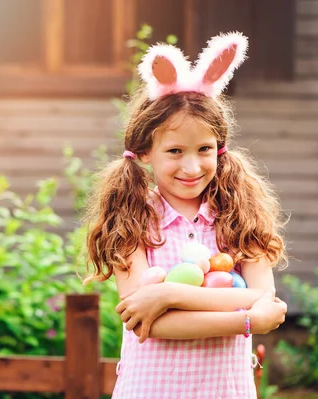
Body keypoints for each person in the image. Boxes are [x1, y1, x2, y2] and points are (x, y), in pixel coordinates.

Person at [83, 32, 288, 398]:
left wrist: (166, 295)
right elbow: (147, 323)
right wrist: (245, 319)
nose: (191, 166)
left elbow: (264, 295)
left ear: (219, 149)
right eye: (175, 151)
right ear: (145, 153)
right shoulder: (130, 217)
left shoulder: (239, 215)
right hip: (151, 389)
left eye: (204, 149)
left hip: (225, 390)